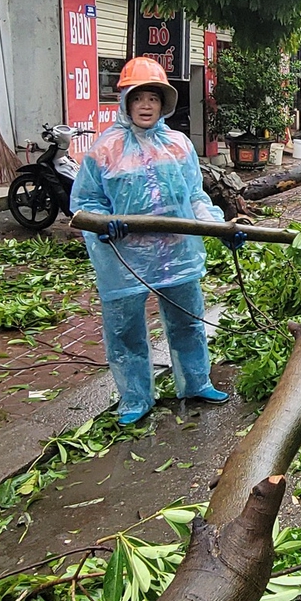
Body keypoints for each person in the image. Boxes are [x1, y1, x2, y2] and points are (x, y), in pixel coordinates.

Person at [73, 56, 231, 425]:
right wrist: (104, 223)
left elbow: (195, 196)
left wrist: (217, 226)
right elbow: (85, 202)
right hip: (125, 258)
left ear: (164, 104)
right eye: (139, 97)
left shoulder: (178, 145)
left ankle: (196, 382)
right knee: (125, 330)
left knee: (188, 320)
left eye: (154, 99)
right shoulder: (103, 150)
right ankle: (135, 398)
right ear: (126, 101)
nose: (146, 106)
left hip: (177, 250)